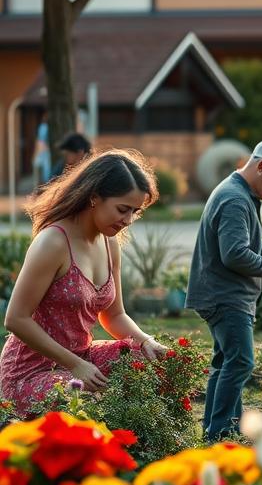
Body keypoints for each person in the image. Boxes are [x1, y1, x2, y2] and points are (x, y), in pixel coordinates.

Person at [0, 151, 167, 416]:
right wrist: (75, 365)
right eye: (122, 209)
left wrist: (146, 341)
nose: (128, 220)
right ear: (94, 197)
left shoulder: (110, 243)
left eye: (135, 212)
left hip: (81, 359)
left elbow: (114, 315)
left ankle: (139, 439)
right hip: (30, 372)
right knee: (84, 399)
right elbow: (16, 319)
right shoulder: (53, 242)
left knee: (148, 362)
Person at [186, 139, 262, 443]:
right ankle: (220, 432)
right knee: (240, 362)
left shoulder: (238, 192)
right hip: (225, 296)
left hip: (220, 293)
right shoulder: (235, 199)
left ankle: (219, 428)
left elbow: (251, 244)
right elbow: (235, 254)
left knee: (226, 362)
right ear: (261, 166)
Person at [32, 116, 52, 188]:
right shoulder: (44, 127)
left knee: (42, 171)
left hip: (43, 151)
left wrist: (36, 153)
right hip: (44, 151)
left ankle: (41, 186)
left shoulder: (43, 127)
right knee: (44, 171)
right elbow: (41, 140)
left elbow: (40, 140)